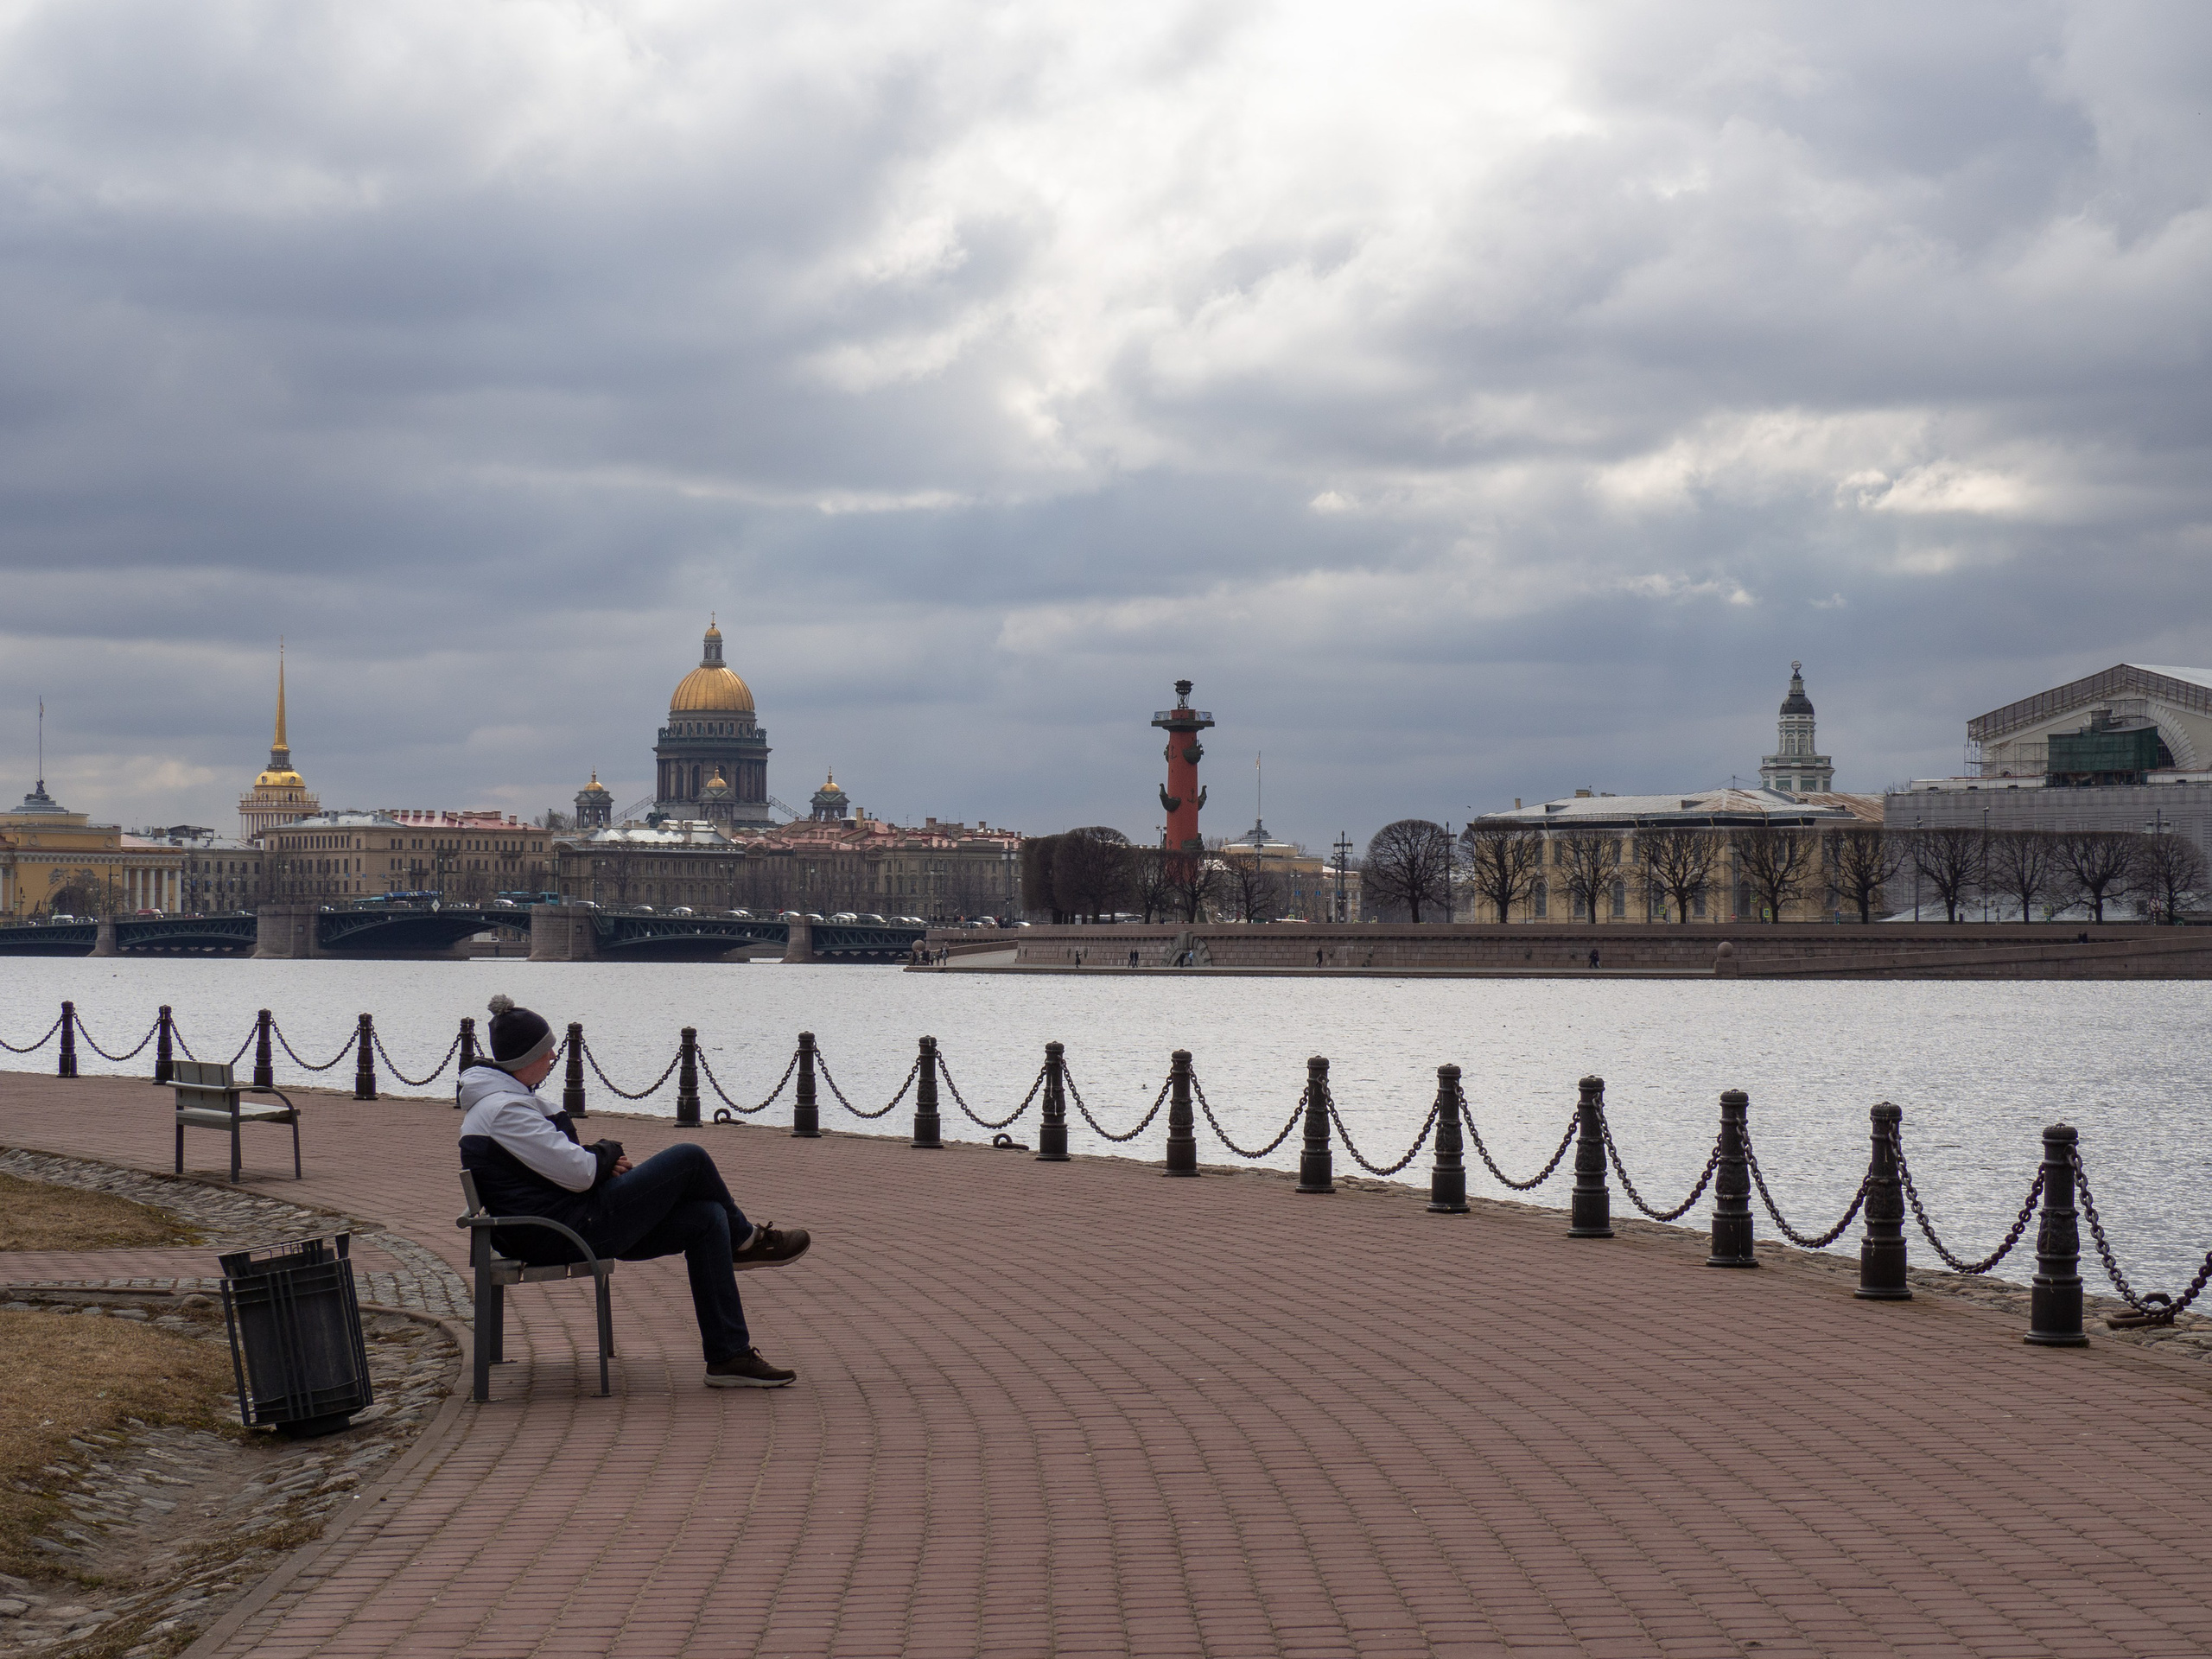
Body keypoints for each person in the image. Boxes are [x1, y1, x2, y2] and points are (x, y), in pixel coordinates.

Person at [458, 995, 810, 1389]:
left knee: (709, 1219)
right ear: (526, 1058)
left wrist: (598, 1164)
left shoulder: (505, 1105)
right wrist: (606, 1154)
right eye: (547, 1049)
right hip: (565, 1231)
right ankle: (746, 1241)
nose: (554, 1054)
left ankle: (728, 1357)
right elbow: (580, 1172)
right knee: (689, 1157)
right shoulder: (505, 1111)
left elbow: (564, 1168)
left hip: (564, 1223)